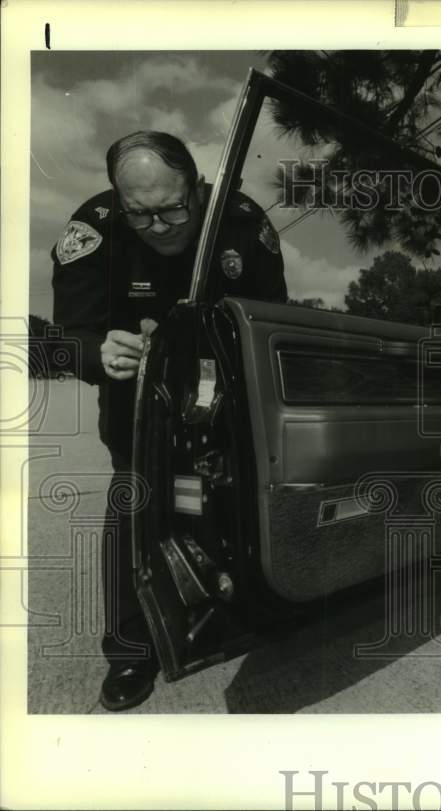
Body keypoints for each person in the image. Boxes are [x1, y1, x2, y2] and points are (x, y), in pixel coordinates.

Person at [50, 131, 287, 711]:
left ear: (196, 185)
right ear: (118, 200)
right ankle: (131, 649)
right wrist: (96, 353)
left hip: (225, 396)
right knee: (136, 506)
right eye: (141, 214)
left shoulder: (241, 220)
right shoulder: (94, 228)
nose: (158, 226)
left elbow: (274, 318)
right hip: (137, 410)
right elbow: (67, 337)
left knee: (234, 506)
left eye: (172, 208)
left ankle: (249, 607)